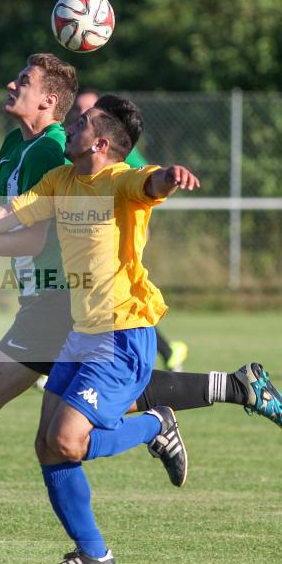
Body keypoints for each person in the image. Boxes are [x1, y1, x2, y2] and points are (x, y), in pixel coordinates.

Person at [0, 55, 282, 556]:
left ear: (55, 104)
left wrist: (168, 178)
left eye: (23, 81)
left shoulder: (60, 155)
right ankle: (230, 392)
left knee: (35, 421)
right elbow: (5, 210)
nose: (12, 84)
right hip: (67, 314)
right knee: (60, 431)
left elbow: (96, 204)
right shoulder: (37, 159)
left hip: (62, 304)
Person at [0, 97, 198, 564]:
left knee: (69, 440)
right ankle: (94, 555)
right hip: (80, 333)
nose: (69, 128)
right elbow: (11, 212)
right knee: (47, 446)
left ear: (99, 142)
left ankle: (157, 425)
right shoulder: (61, 180)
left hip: (124, 332)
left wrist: (169, 176)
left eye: (79, 124)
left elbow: (150, 181)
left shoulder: (119, 181)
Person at [68, 89, 189, 372]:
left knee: (119, 297)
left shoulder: (120, 160)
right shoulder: (74, 154)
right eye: (78, 109)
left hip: (119, 236)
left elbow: (142, 181)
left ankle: (173, 357)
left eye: (87, 109)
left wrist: (166, 179)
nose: (78, 113)